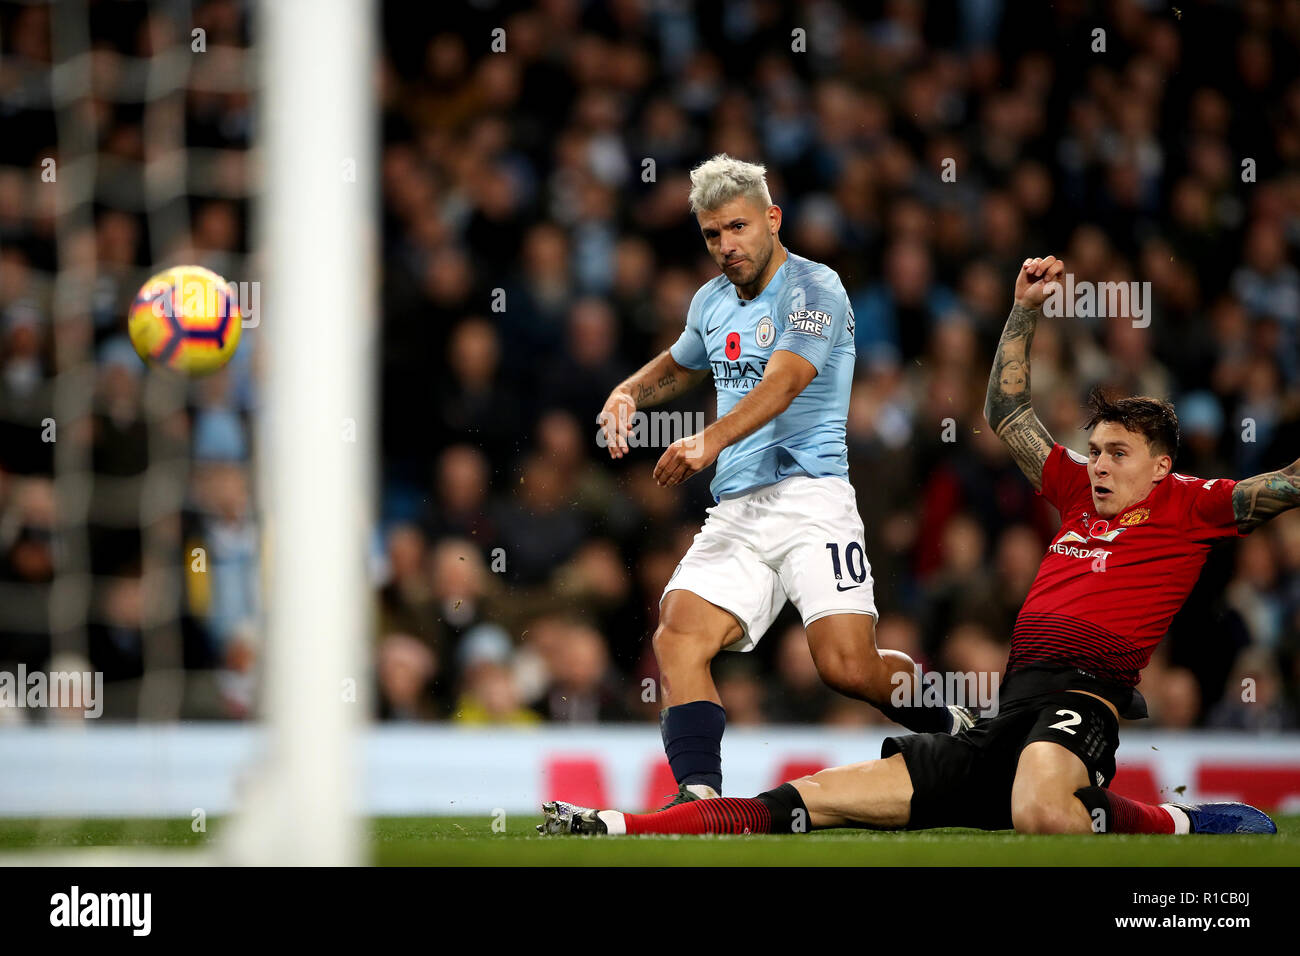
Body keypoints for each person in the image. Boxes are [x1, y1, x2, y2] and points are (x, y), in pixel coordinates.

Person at [544, 255, 1295, 836]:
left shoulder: (1194, 504)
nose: (1097, 464)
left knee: (1039, 804)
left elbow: (1286, 485)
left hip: (1079, 704)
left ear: (1161, 465)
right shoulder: (1072, 489)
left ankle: (1183, 820)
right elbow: (1006, 410)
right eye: (1094, 449)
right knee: (808, 801)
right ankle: (633, 821)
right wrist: (1023, 311)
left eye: (1117, 454)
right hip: (1002, 718)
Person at [597, 154, 970, 808]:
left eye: (738, 228)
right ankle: (701, 795)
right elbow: (684, 363)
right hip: (737, 510)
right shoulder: (711, 301)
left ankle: (962, 728)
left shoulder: (815, 289)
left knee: (847, 667)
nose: (726, 246)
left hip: (812, 501)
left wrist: (708, 440)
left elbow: (786, 380)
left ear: (772, 218)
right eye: (713, 234)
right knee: (678, 634)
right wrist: (629, 392)